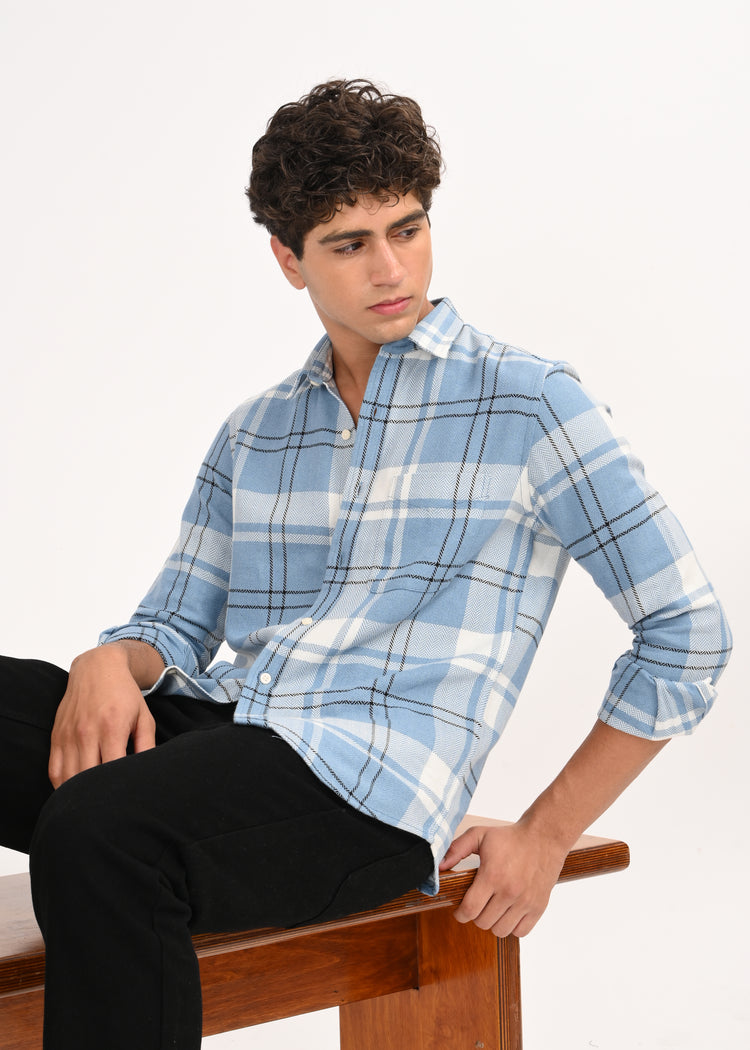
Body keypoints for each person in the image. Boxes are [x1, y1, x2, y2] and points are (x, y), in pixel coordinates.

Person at [0, 79, 731, 1050]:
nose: (391, 268)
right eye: (349, 244)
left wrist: (546, 835)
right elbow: (172, 626)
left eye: (407, 228)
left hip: (367, 795)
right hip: (232, 730)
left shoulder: (529, 405)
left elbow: (688, 631)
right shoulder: (258, 430)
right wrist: (108, 660)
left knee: (101, 830)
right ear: (288, 259)